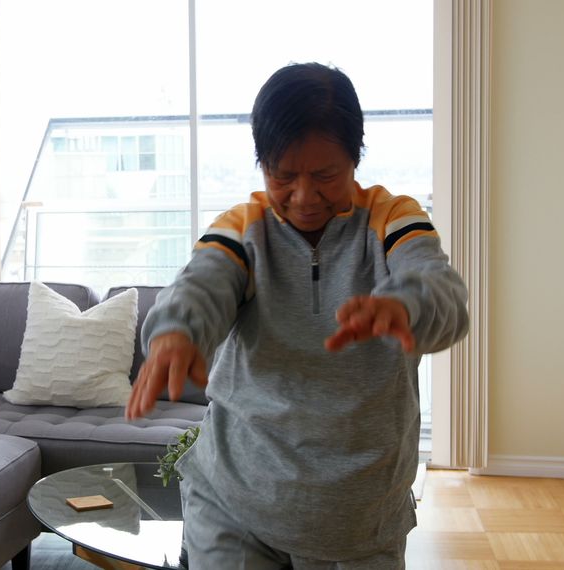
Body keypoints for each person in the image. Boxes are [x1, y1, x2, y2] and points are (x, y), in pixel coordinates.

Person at [125, 62, 469, 569]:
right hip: (234, 502)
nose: (304, 197)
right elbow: (201, 285)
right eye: (283, 176)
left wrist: (405, 304)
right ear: (262, 163)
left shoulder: (392, 217)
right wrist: (175, 332)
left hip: (359, 517)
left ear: (355, 158)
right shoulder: (244, 228)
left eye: (325, 175)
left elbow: (442, 295)